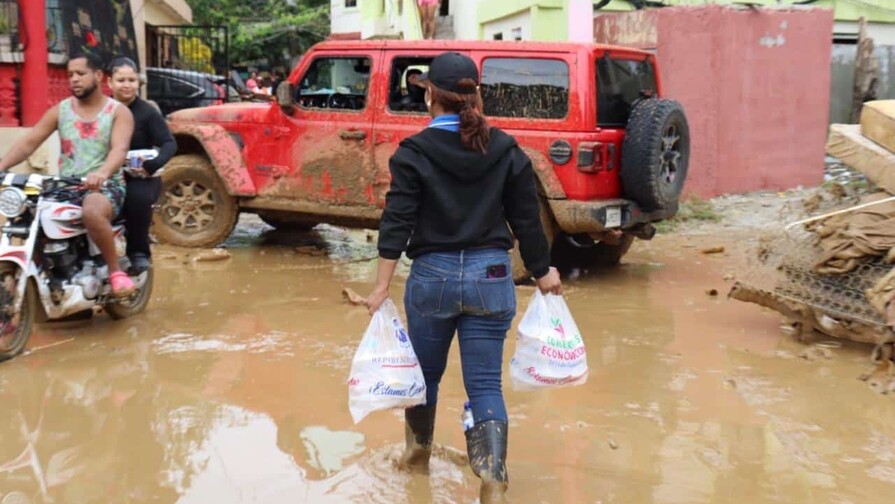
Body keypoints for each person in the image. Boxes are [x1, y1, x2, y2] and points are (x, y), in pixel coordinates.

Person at [364, 52, 562, 503]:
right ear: (474, 95)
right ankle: (492, 478)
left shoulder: (413, 152)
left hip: (431, 278)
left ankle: (416, 458)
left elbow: (397, 221)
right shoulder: (505, 149)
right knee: (486, 385)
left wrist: (380, 287)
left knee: (425, 378)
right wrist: (543, 271)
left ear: (430, 93)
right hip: (491, 277)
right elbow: (526, 220)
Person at [0, 51, 136, 296]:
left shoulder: (118, 112)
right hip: (65, 186)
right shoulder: (60, 110)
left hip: (105, 186)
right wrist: (2, 166)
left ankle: (115, 270)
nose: (74, 79)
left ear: (97, 75)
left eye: (80, 74)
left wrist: (102, 173)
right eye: (70, 74)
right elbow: (29, 142)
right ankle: (53, 275)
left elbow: (120, 149)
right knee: (28, 213)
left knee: (93, 210)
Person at [107, 56, 177, 273]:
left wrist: (152, 166)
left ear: (138, 82)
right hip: (106, 174)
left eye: (131, 79)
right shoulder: (102, 110)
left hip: (140, 176)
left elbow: (169, 143)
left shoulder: (147, 112)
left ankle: (138, 252)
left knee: (137, 199)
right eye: (121, 80)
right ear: (109, 82)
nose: (127, 85)